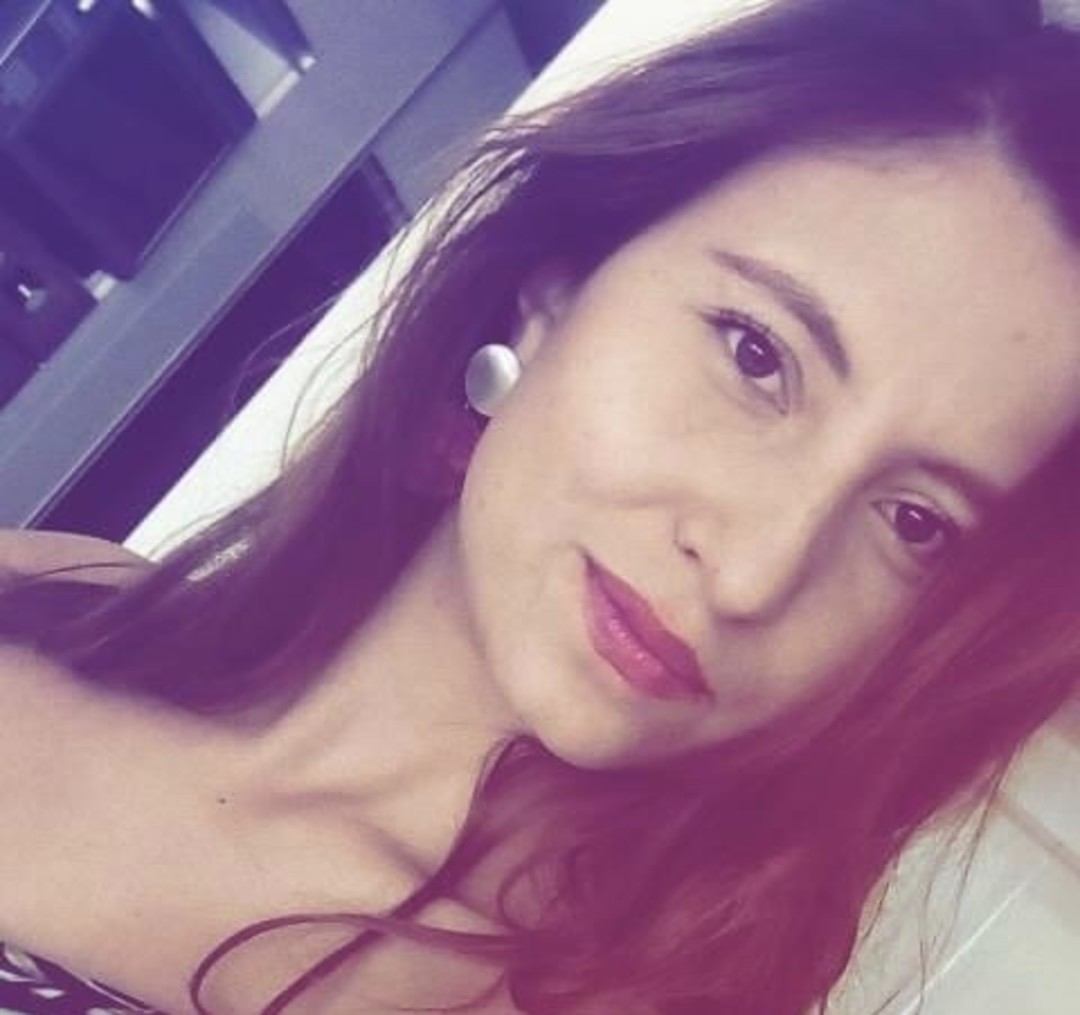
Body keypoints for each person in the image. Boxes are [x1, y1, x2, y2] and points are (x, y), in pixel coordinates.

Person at [2, 0, 1080, 1011]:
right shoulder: (37, 593)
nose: (754, 573)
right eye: (757, 354)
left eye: (917, 523)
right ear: (558, 287)